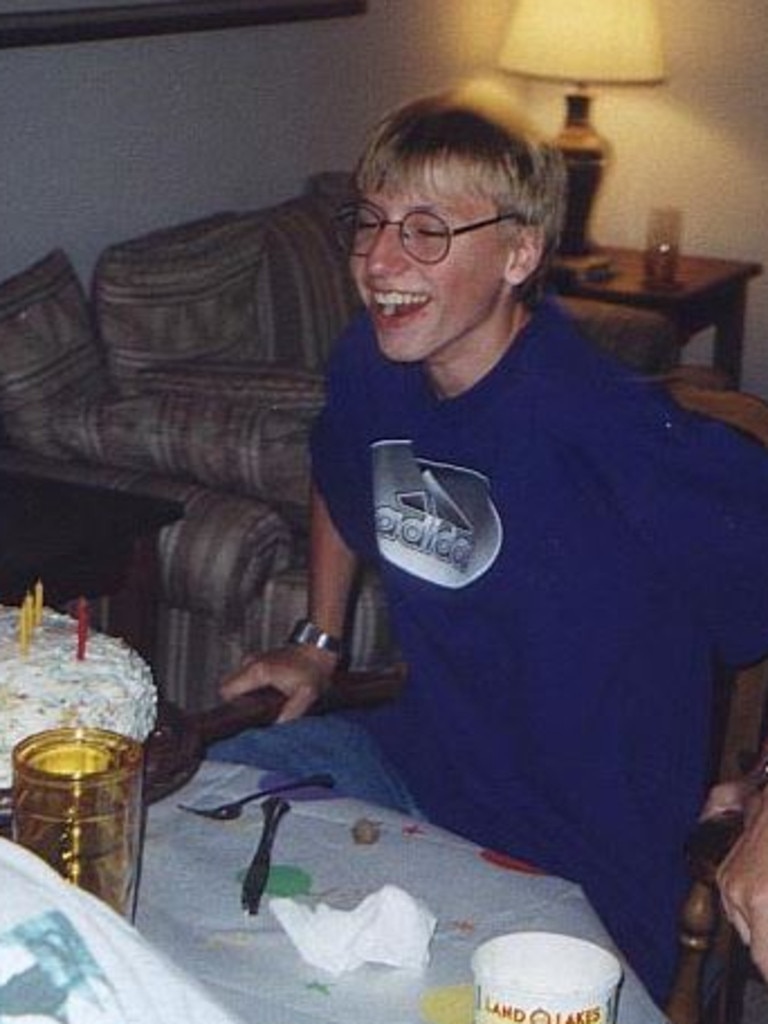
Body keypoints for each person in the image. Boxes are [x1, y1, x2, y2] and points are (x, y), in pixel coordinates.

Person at [210, 82, 768, 1003]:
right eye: (371, 222)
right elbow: (338, 466)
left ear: (520, 252)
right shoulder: (371, 365)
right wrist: (318, 640)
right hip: (423, 769)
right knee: (194, 802)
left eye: (428, 229)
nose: (382, 260)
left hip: (593, 853)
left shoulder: (606, 425)